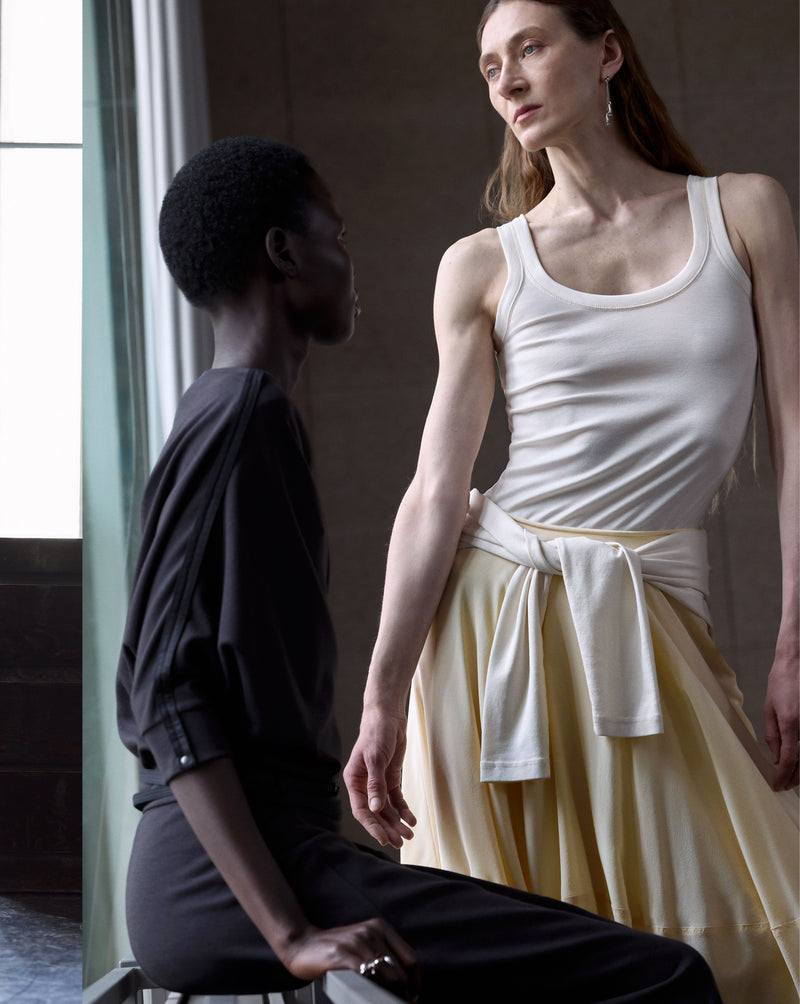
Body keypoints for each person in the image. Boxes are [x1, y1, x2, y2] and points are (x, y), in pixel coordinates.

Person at [115, 136, 723, 1003]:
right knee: (666, 975)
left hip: (269, 863)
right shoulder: (240, 418)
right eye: (340, 235)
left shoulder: (235, 415)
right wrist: (291, 937)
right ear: (286, 253)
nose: (349, 260)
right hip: (227, 888)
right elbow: (162, 692)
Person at [343, 3, 799, 1003]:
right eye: (486, 64)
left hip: (650, 611)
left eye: (529, 48)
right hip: (491, 622)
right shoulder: (480, 265)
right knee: (527, 940)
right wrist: (379, 697)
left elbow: (796, 433)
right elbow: (432, 487)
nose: (504, 78)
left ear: (605, 52)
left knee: (750, 924)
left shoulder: (745, 212)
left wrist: (791, 641)